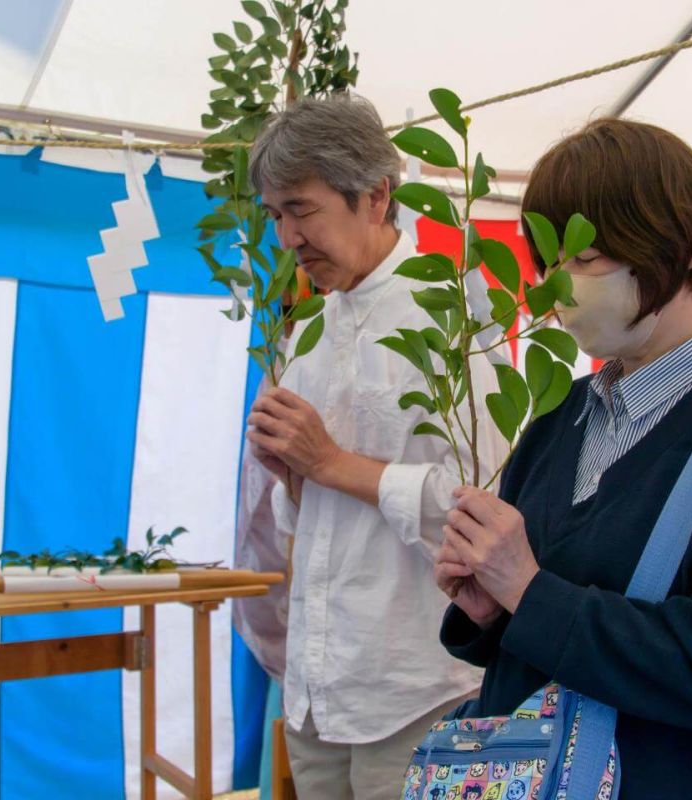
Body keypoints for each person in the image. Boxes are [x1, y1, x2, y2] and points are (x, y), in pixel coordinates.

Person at [432, 118, 692, 800]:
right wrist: (492, 609)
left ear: (677, 246)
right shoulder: (559, 415)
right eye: (546, 262)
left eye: (583, 258)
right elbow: (544, 621)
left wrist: (531, 592)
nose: (557, 287)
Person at [245, 94, 504, 800]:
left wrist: (328, 461)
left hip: (414, 687)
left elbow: (485, 508)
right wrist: (294, 477)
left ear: (376, 195)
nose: (288, 236)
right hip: (322, 685)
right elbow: (309, 521)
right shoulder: (311, 333)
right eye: (275, 215)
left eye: (301, 208)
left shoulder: (447, 316)